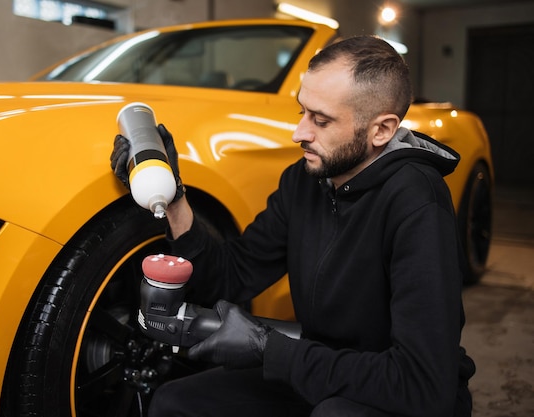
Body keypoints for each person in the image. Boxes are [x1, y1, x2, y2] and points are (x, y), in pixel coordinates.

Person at [111, 35, 475, 417]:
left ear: (381, 131)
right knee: (175, 403)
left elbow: (422, 384)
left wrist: (269, 349)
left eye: (321, 120)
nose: (299, 133)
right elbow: (230, 277)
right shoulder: (304, 181)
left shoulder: (417, 202)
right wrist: (173, 196)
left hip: (400, 390)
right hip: (320, 368)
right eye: (302, 112)